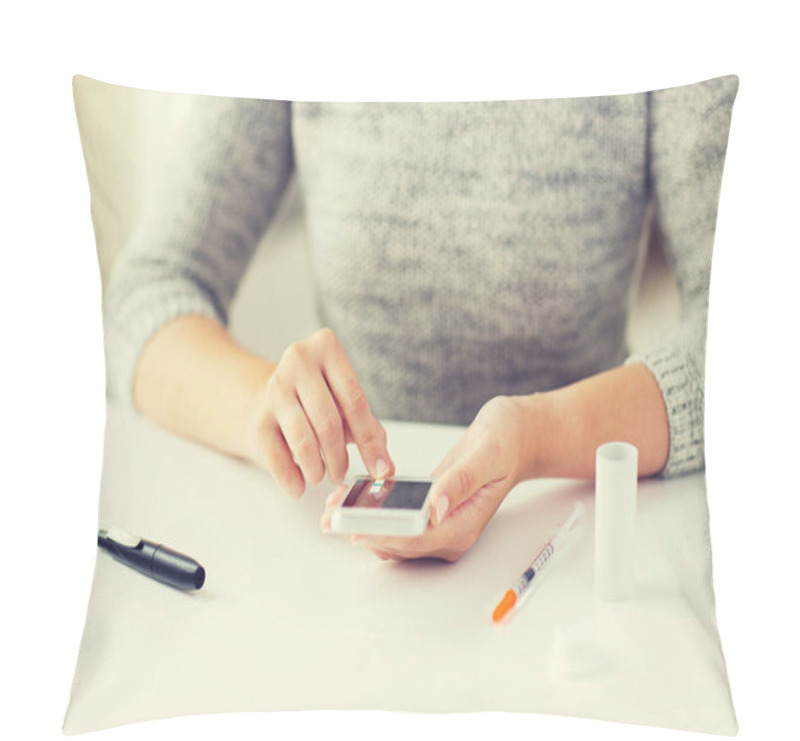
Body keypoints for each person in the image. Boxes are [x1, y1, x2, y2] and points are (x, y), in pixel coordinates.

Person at [103, 76, 738, 562]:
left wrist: (538, 435)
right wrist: (268, 413)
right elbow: (149, 290)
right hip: (343, 568)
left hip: (568, 543)